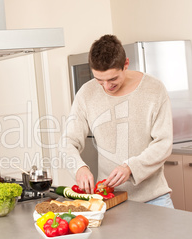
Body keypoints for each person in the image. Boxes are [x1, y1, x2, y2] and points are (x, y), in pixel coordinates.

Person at [60, 34, 174, 208]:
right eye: (99, 80)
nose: (107, 86)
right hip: (108, 199)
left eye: (113, 79)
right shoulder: (86, 93)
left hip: (155, 199)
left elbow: (163, 144)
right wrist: (79, 168)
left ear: (126, 64)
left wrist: (130, 168)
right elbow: (68, 141)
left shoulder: (154, 89)